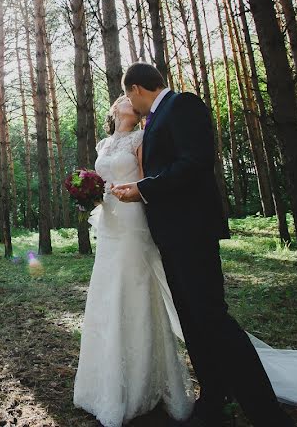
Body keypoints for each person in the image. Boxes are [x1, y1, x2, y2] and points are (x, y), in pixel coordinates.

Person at [78, 62, 297, 426]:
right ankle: (213, 399)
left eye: (128, 95)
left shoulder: (183, 105)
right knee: (193, 320)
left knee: (213, 319)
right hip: (167, 235)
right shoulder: (153, 120)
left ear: (137, 88)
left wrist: (143, 189)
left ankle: (266, 412)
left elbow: (195, 163)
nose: (127, 103)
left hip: (192, 232)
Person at [73, 93, 194, 426]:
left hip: (132, 220)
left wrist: (136, 192)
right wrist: (89, 196)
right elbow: (101, 182)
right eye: (122, 98)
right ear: (114, 109)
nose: (128, 101)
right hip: (109, 221)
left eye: (132, 97)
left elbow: (147, 178)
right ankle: (104, 384)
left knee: (134, 291)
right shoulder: (102, 144)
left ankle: (144, 383)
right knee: (108, 293)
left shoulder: (142, 139)